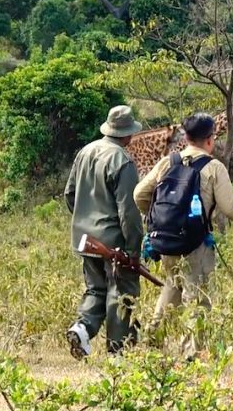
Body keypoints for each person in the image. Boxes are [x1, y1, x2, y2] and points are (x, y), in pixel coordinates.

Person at [134, 113, 233, 356]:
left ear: (187, 137)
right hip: (196, 245)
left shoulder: (168, 162)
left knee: (172, 286)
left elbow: (139, 194)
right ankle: (191, 355)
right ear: (210, 140)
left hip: (166, 242)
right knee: (197, 299)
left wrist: (156, 219)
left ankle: (151, 342)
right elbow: (230, 209)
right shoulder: (213, 167)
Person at [63, 105, 145, 359]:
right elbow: (129, 212)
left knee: (95, 289)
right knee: (121, 292)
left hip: (85, 240)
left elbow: (70, 195)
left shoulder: (85, 152)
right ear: (128, 134)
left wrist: (84, 221)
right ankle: (116, 352)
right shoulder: (123, 161)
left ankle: (83, 328)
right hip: (114, 243)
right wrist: (133, 249)